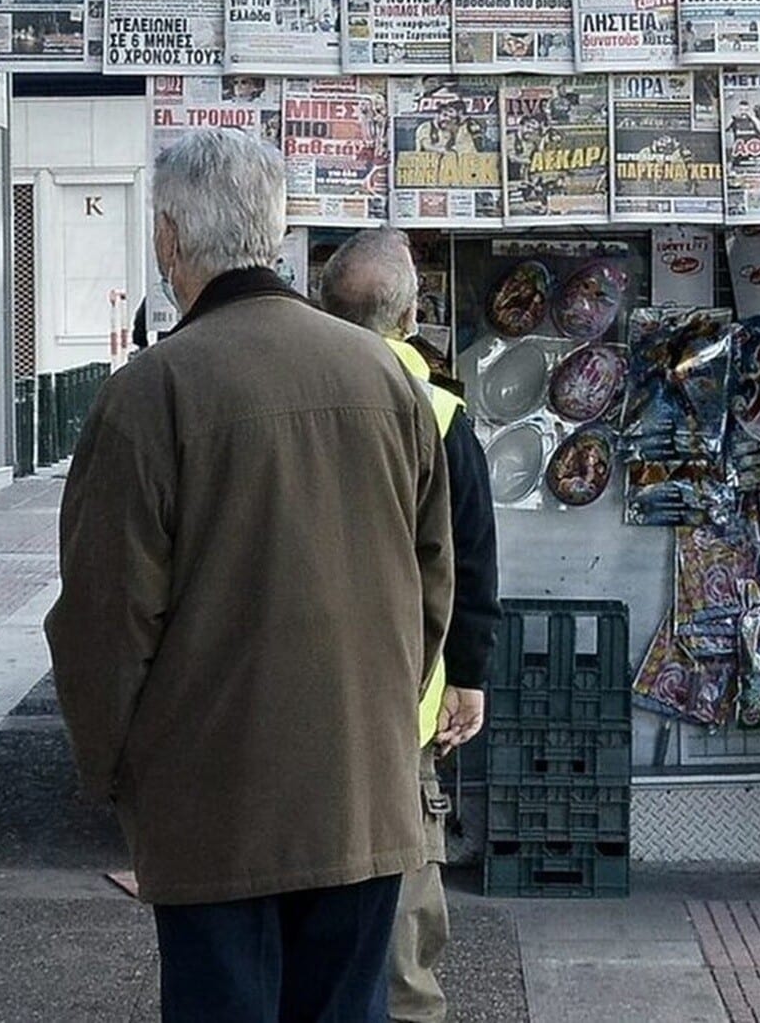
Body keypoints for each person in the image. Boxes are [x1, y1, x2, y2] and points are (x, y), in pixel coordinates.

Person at [46, 129, 454, 1023]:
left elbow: (106, 620)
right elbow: (432, 590)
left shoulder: (150, 393)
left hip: (211, 800)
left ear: (166, 238)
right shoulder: (387, 379)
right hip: (362, 793)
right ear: (274, 233)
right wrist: (382, 713)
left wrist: (111, 772)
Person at [321, 229, 500, 1023]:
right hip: (404, 697)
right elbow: (470, 560)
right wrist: (469, 675)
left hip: (299, 689)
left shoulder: (294, 388)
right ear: (410, 311)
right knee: (401, 876)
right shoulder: (441, 409)